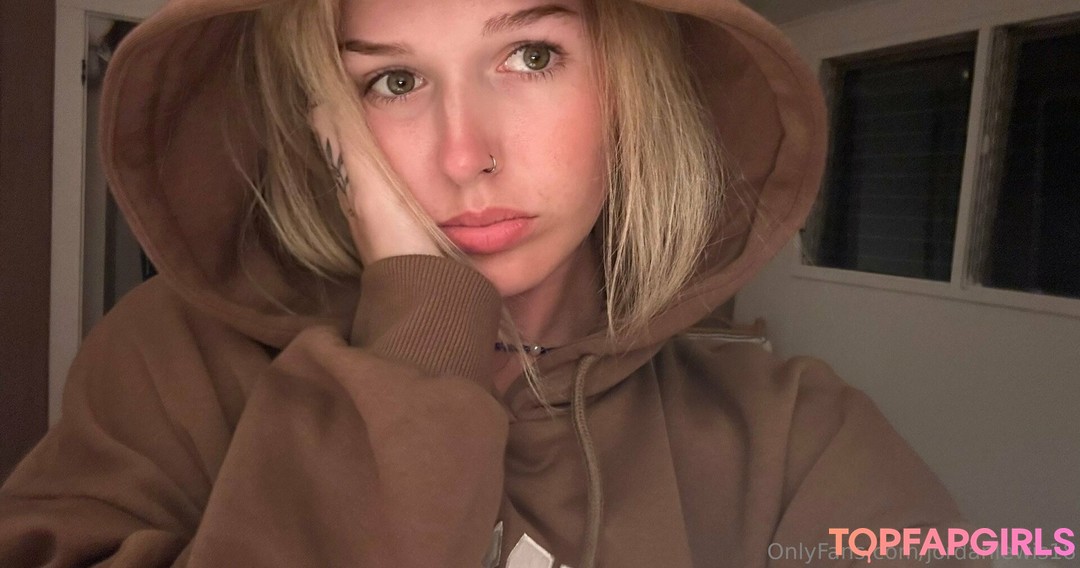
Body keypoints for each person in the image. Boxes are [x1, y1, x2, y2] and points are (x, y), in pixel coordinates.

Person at [0, 0, 985, 566]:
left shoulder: (794, 435)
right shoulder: (171, 362)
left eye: (530, 55)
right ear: (325, 123)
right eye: (392, 81)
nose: (464, 153)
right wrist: (417, 327)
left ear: (632, 89)